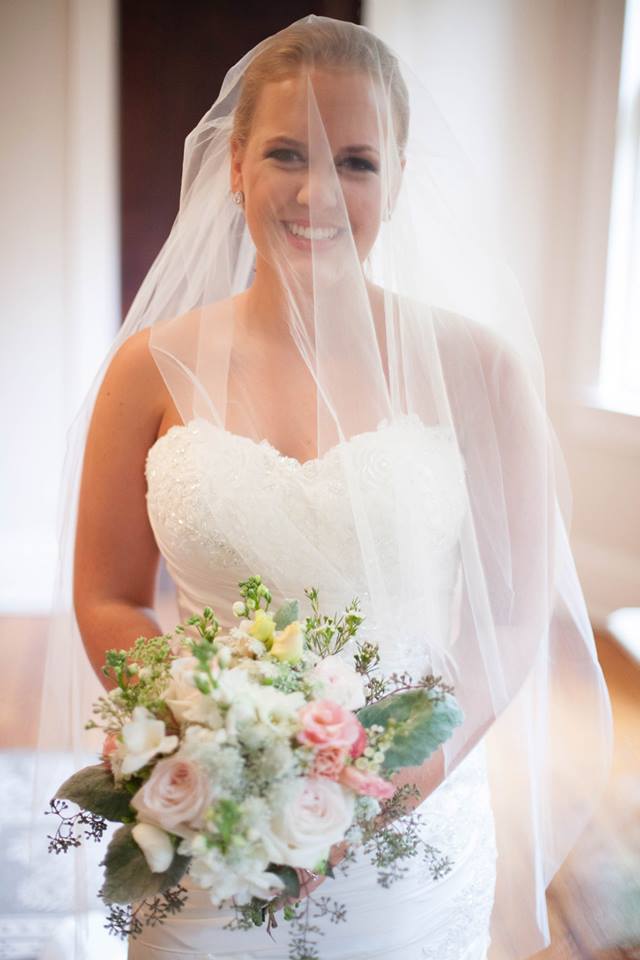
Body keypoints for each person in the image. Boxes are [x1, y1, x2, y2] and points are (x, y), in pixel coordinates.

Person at [40, 14, 611, 960]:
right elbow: (106, 593)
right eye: (286, 153)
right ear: (233, 165)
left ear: (397, 174)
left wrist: (391, 780)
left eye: (356, 160)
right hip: (211, 828)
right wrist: (212, 751)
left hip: (412, 820)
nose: (319, 193)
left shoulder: (482, 371)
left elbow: (510, 616)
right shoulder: (148, 371)